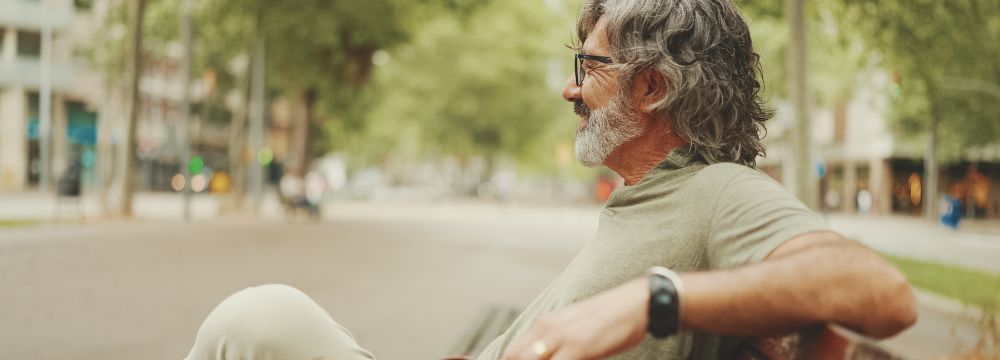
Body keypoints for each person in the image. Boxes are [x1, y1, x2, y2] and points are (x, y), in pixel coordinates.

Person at [184, 1, 917, 359]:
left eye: (588, 69)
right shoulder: (644, 199)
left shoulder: (717, 192)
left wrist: (655, 301)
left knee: (259, 319)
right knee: (258, 324)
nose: (570, 91)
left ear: (653, 89)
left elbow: (880, 293)